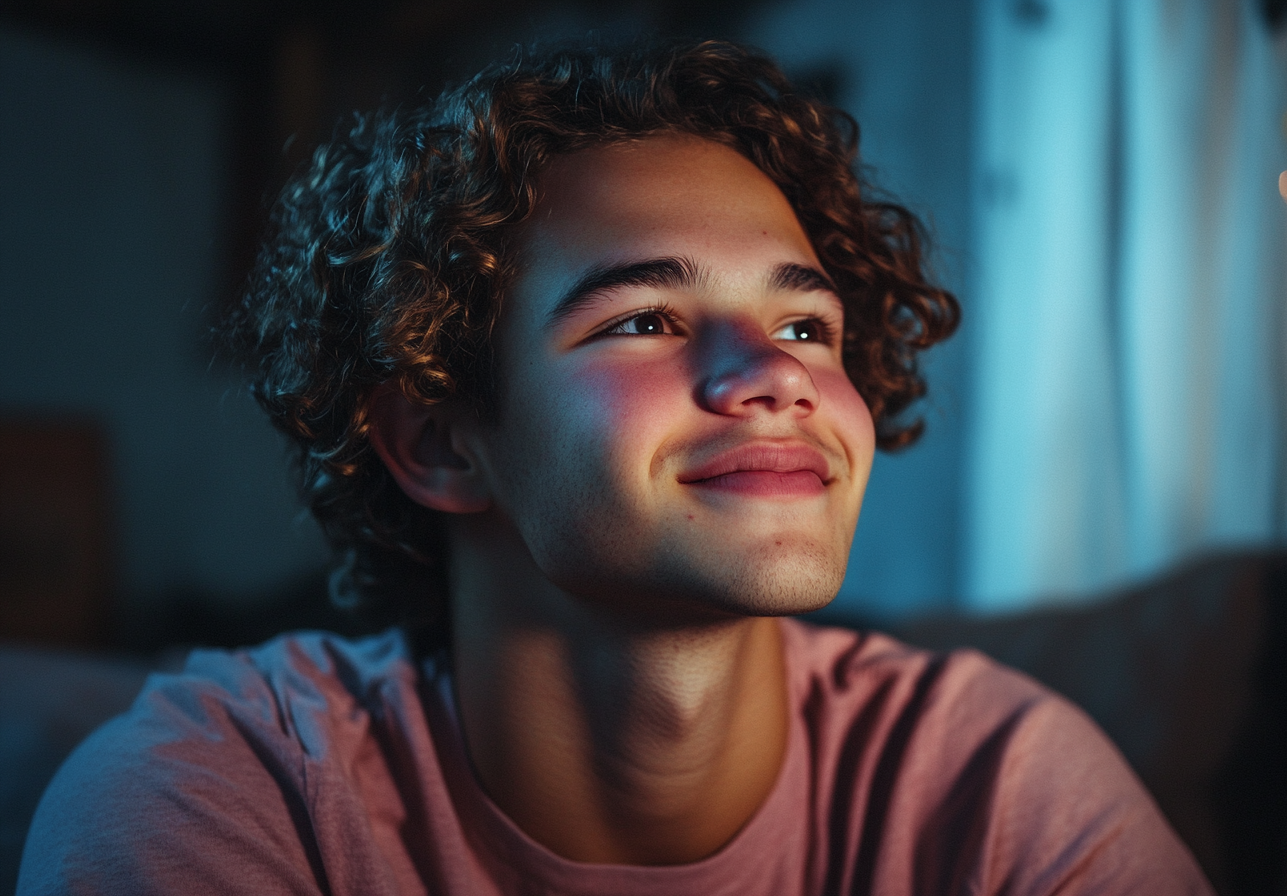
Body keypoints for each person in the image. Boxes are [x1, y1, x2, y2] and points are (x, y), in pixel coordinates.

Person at [19, 39, 1213, 895]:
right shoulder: (220, 798)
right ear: (440, 439)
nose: (777, 374)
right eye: (644, 318)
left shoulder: (997, 784)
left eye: (807, 326)